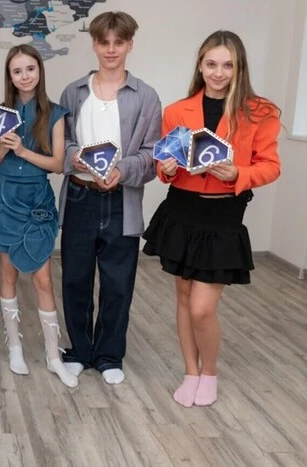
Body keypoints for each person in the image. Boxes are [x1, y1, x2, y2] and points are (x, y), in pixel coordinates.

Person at [143, 30, 281, 407]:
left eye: (227, 65)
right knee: (184, 299)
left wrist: (238, 174)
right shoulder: (177, 111)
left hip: (223, 217)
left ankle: (210, 372)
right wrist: (166, 169)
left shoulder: (261, 112)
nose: (218, 73)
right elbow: (163, 164)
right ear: (200, 66)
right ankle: (191, 371)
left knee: (202, 309)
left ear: (239, 68)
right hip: (181, 210)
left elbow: (271, 166)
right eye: (211, 64)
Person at [59, 11, 161, 385]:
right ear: (94, 45)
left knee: (118, 283)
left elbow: (152, 155)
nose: (111, 49)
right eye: (104, 42)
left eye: (119, 42)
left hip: (122, 201)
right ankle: (79, 351)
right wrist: (74, 156)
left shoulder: (146, 96)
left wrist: (122, 170)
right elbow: (62, 141)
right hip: (80, 198)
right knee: (76, 279)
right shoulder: (74, 92)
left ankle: (109, 355)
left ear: (130, 44)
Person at [0, 45, 77, 387]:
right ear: (9, 77)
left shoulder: (55, 113)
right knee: (7, 275)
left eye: (30, 69)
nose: (24, 76)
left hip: (37, 199)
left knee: (43, 280)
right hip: (5, 197)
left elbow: (57, 164)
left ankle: (53, 357)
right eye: (17, 71)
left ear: (40, 71)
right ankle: (15, 349)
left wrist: (22, 150)